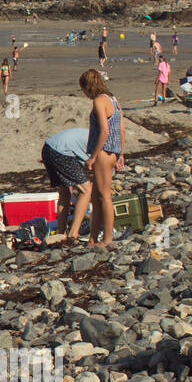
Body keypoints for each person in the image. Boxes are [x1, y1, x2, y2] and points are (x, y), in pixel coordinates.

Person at [80, 69, 125, 248]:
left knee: (105, 196)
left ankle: (107, 238)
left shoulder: (99, 101)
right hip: (113, 151)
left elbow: (104, 131)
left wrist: (93, 156)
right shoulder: (114, 100)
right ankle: (93, 237)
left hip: (103, 152)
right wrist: (121, 153)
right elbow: (121, 128)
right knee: (97, 197)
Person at [41, 127, 94, 244]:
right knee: (86, 190)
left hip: (48, 147)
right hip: (61, 151)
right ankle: (73, 234)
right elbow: (93, 167)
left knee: (65, 191)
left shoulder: (92, 134)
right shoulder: (101, 144)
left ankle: (61, 232)